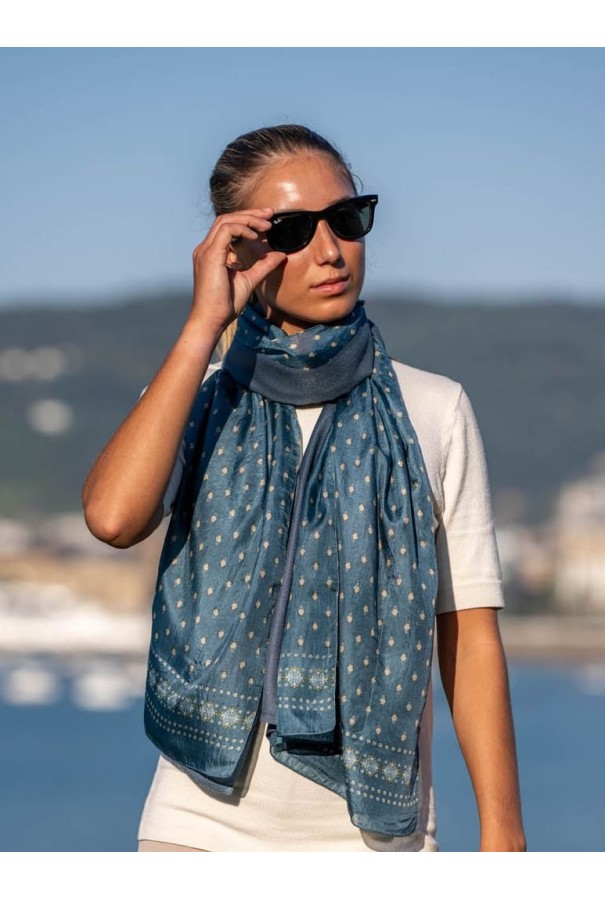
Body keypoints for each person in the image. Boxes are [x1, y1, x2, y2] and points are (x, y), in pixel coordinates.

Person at [82, 124, 526, 852]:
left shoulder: (434, 408)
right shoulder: (197, 398)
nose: (330, 251)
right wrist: (203, 325)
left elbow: (469, 635)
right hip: (199, 830)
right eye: (292, 231)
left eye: (345, 219)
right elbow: (112, 518)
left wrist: (503, 835)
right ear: (239, 251)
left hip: (377, 843)